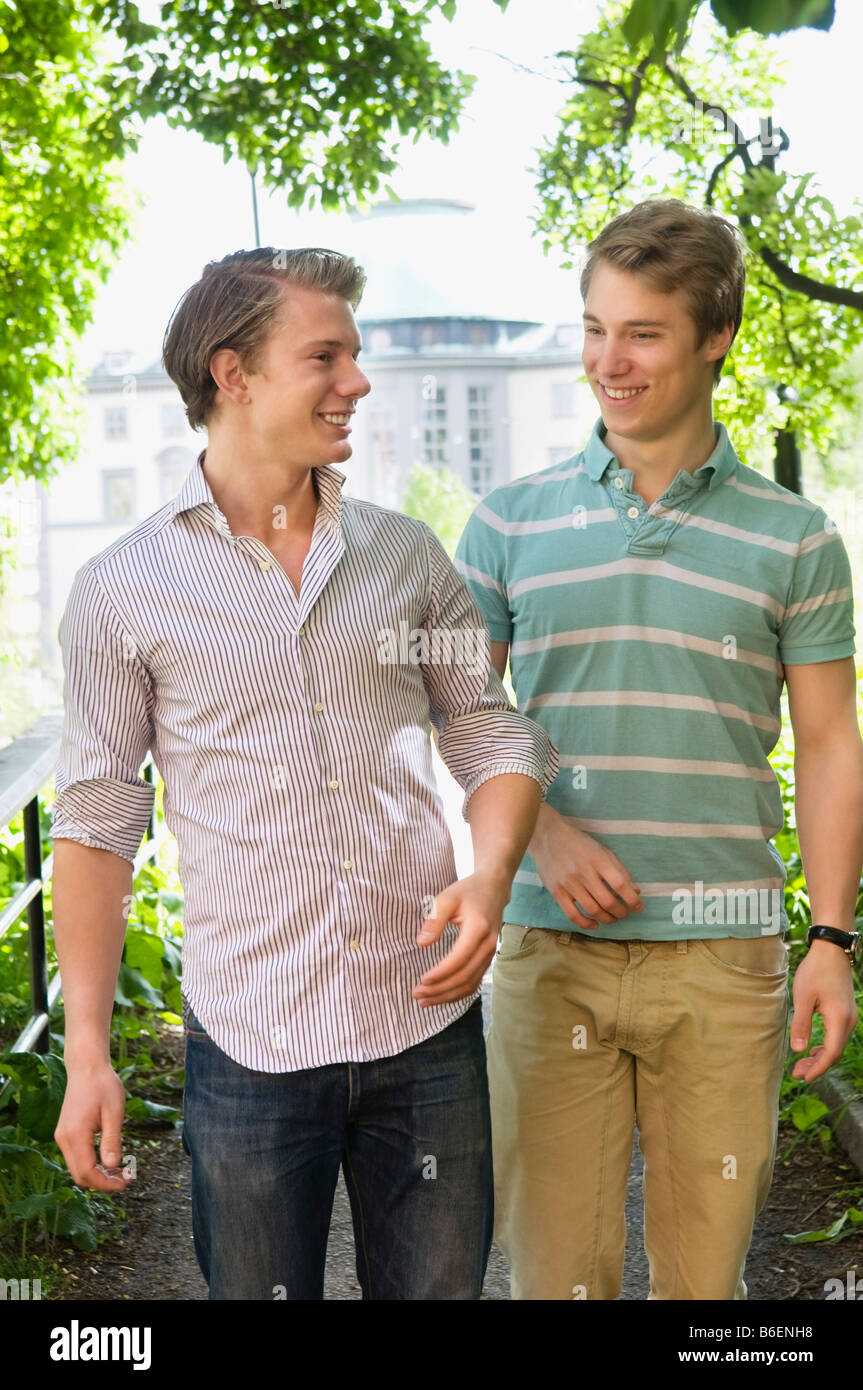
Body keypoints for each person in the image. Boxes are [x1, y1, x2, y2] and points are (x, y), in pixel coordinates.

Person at [51, 246, 558, 1300]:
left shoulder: (406, 555)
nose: (357, 381)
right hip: (250, 1043)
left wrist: (493, 870)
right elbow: (99, 822)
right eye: (325, 356)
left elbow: (486, 729)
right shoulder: (120, 589)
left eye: (356, 355)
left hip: (423, 1027)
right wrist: (87, 1055)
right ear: (231, 374)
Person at [454, 199, 862, 1301]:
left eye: (639, 333)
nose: (607, 362)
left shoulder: (794, 537)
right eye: (593, 329)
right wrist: (541, 832)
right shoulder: (507, 523)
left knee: (701, 1293)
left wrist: (829, 937)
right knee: (554, 1285)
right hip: (548, 957)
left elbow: (829, 744)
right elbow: (454, 711)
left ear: (714, 335)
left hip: (723, 964)